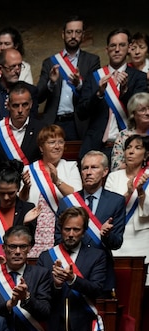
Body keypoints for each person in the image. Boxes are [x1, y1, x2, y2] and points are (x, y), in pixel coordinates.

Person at [54, 150, 126, 292]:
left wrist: (106, 235)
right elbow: (57, 239)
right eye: (85, 168)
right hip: (72, 269)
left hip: (101, 272)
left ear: (105, 171)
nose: (88, 172)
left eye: (94, 167)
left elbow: (116, 242)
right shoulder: (67, 202)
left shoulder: (116, 201)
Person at [37, 207, 107, 331]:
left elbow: (97, 289)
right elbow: (40, 294)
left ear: (84, 232)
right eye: (67, 229)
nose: (71, 234)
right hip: (53, 326)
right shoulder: (46, 257)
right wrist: (56, 285)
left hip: (83, 324)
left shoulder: (97, 256)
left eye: (76, 230)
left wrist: (73, 279)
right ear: (60, 230)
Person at [78, 28, 148, 158]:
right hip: (96, 146)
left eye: (122, 45)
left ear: (129, 48)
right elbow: (81, 113)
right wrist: (99, 94)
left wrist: (125, 91)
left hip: (129, 147)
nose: (117, 49)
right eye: (113, 46)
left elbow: (142, 111)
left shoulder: (139, 77)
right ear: (107, 50)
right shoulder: (94, 76)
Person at [37, 17, 101, 141]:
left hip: (79, 123)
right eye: (69, 32)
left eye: (77, 32)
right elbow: (38, 96)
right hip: (54, 122)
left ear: (83, 35)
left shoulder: (92, 61)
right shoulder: (50, 62)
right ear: (63, 34)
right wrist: (51, 83)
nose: (73, 36)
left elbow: (94, 95)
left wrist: (79, 85)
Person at [0, 82, 44, 197]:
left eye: (25, 105)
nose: (20, 110)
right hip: (4, 195)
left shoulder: (41, 129)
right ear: (7, 105)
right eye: (16, 105)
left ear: (31, 104)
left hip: (35, 192)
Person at [24, 125, 81, 257]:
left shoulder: (70, 166)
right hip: (35, 230)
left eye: (60, 142)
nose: (57, 146)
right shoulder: (29, 170)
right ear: (41, 148)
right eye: (52, 142)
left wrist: (57, 181)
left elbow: (77, 198)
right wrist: (25, 188)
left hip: (61, 229)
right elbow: (22, 201)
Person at [105, 133, 149, 284]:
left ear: (146, 155)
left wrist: (141, 191)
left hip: (142, 236)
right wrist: (129, 192)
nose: (131, 151)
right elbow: (108, 207)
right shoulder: (113, 177)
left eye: (137, 148)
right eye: (128, 147)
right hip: (118, 235)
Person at [0, 162, 40, 242]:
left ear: (18, 189)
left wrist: (24, 224)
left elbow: (30, 243)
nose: (6, 197)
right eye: (2, 193)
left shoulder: (27, 209)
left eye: (11, 193)